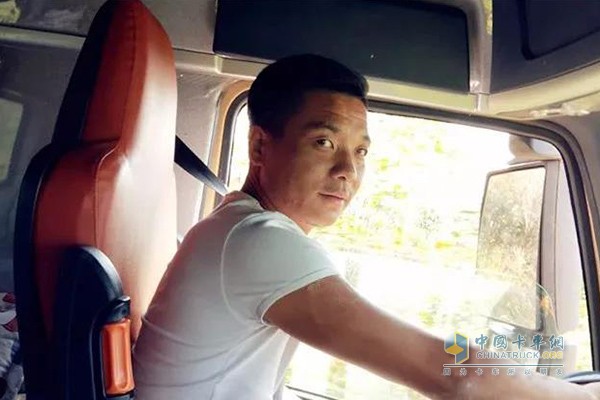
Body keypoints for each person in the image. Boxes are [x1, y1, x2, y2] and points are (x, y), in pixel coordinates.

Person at [133, 54, 600, 400]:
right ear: (259, 147)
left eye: (360, 152)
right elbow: (456, 373)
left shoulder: (242, 230)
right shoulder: (257, 242)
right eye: (323, 142)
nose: (347, 171)